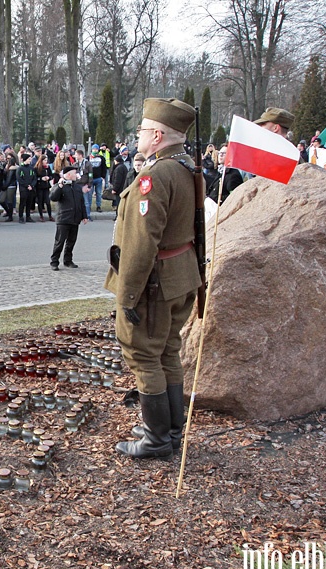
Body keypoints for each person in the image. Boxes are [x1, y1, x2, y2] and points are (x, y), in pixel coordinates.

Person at [105, 98, 203, 459]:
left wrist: (127, 296)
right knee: (166, 352)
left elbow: (141, 244)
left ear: (158, 136)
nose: (139, 135)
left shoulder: (155, 176)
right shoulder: (184, 167)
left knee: (143, 354)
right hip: (179, 277)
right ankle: (170, 430)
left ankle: (157, 439)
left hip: (155, 283)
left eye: (144, 130)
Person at [49, 165, 88, 270]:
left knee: (71, 241)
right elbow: (53, 197)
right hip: (64, 218)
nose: (77, 175)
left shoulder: (77, 187)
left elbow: (81, 202)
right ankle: (54, 261)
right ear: (69, 175)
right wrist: (59, 186)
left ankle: (68, 260)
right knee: (59, 242)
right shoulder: (60, 185)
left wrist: (84, 216)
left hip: (75, 219)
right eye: (75, 173)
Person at [16, 153, 36, 223]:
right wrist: (27, 185)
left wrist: (32, 185)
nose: (30, 161)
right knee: (22, 202)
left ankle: (28, 216)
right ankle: (21, 217)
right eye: (29, 159)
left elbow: (34, 178)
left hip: (31, 188)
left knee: (29, 202)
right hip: (24, 188)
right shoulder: (20, 168)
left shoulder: (31, 168)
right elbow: (19, 179)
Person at [34, 153, 53, 222]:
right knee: (40, 201)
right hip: (39, 186)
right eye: (44, 160)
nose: (46, 162)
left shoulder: (47, 168)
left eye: (46, 160)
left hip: (46, 186)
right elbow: (35, 177)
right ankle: (41, 216)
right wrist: (41, 179)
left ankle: (50, 215)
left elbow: (51, 175)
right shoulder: (36, 168)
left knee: (48, 201)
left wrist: (49, 177)